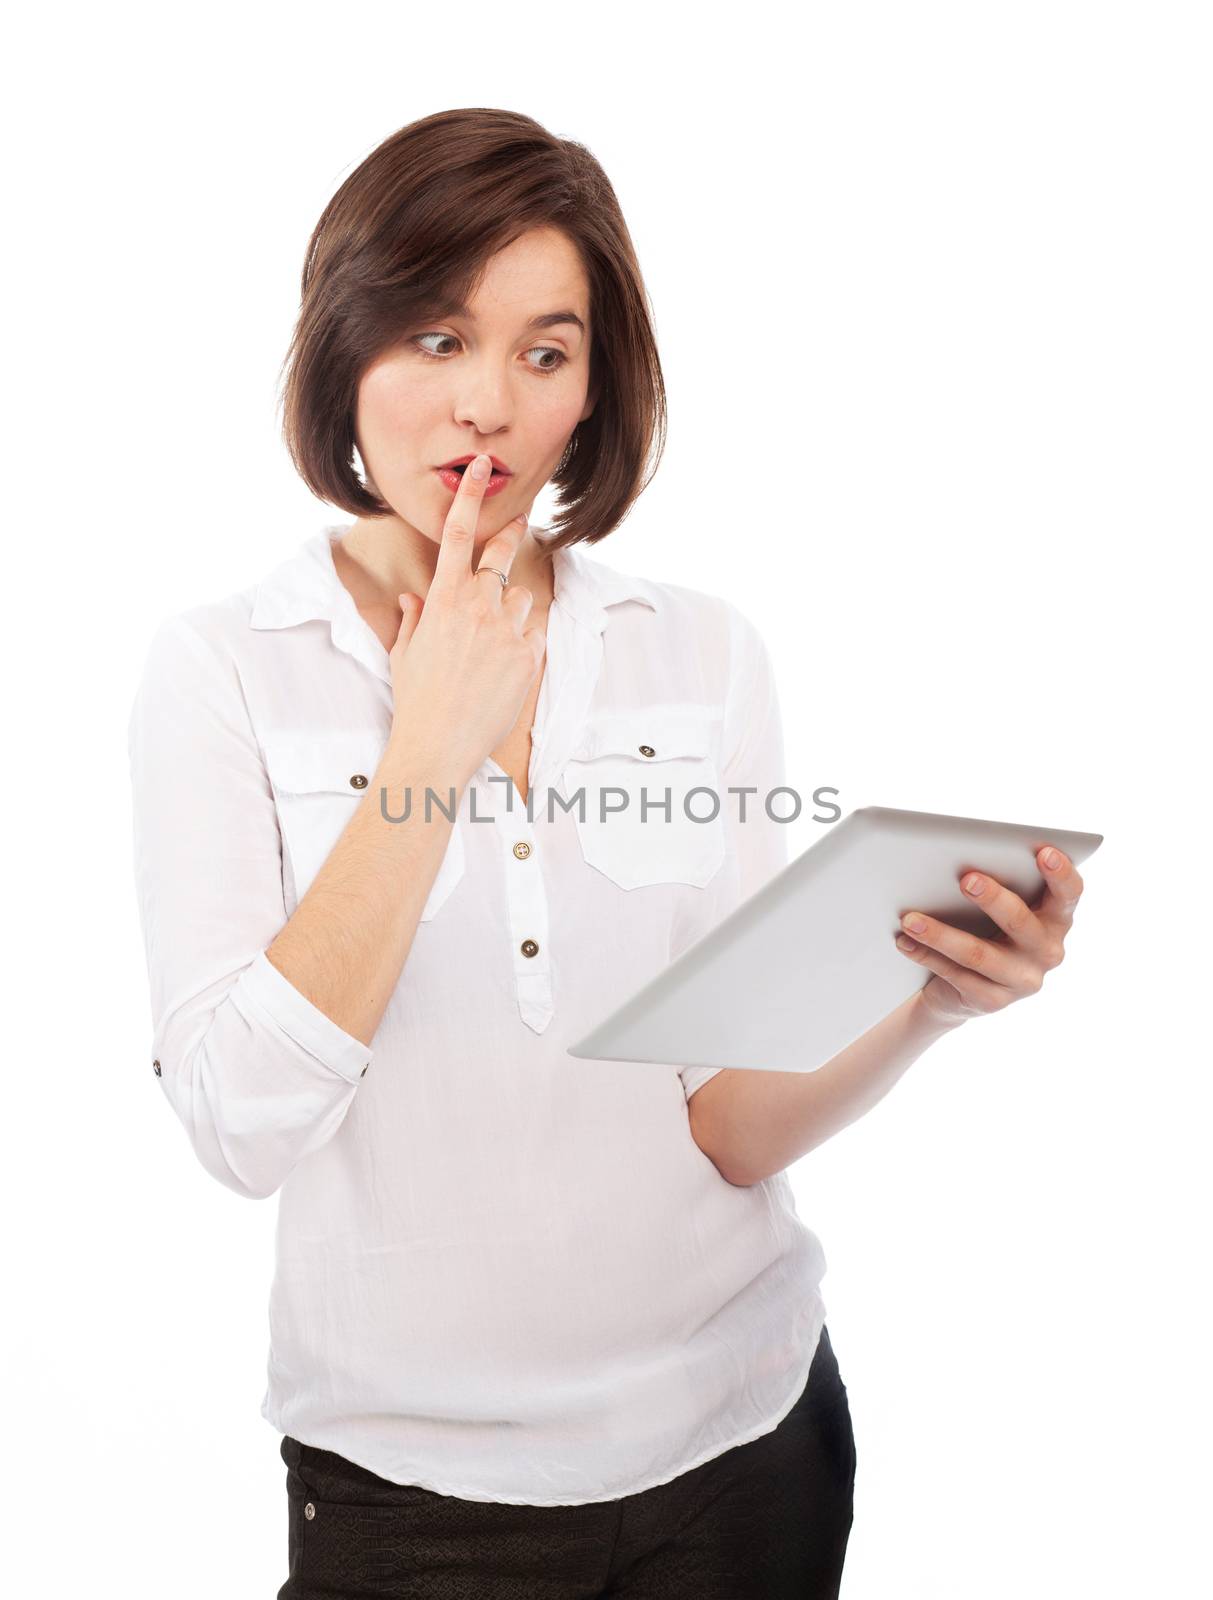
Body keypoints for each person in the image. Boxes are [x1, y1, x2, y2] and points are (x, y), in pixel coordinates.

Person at [127, 108, 1085, 1599]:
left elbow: (729, 1121)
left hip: (744, 1446)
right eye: (436, 340)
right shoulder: (224, 671)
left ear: (592, 390)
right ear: (343, 351)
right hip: (413, 1497)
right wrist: (427, 753)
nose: (486, 407)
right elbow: (238, 1124)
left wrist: (930, 1007)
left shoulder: (695, 654)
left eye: (544, 351)